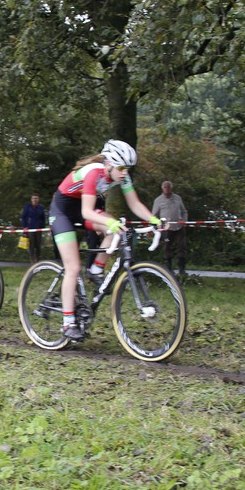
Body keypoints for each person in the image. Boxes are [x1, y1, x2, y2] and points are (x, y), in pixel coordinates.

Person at [48, 139, 164, 342]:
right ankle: (68, 323)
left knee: (117, 229)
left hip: (83, 209)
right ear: (108, 164)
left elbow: (135, 204)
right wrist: (109, 223)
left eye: (128, 169)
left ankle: (95, 270)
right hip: (63, 211)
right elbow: (87, 212)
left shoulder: (121, 175)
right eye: (121, 168)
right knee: (73, 267)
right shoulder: (94, 172)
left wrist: (154, 220)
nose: (124, 173)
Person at [151, 180, 189, 278]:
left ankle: (182, 270)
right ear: (162, 188)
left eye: (169, 187)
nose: (167, 189)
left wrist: (184, 221)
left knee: (182, 247)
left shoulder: (178, 198)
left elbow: (184, 211)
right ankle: (168, 270)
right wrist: (157, 224)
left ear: (171, 188)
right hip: (166, 228)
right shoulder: (158, 200)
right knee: (167, 247)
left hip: (179, 226)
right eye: (165, 187)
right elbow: (153, 215)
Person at [21, 193, 47, 263]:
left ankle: (38, 259)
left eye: (36, 198)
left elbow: (43, 218)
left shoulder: (41, 207)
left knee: (38, 245)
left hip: (38, 229)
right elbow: (23, 217)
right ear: (31, 199)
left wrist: (43, 227)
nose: (35, 200)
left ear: (38, 199)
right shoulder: (27, 207)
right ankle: (32, 260)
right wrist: (24, 226)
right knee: (31, 245)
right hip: (30, 229)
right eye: (33, 198)